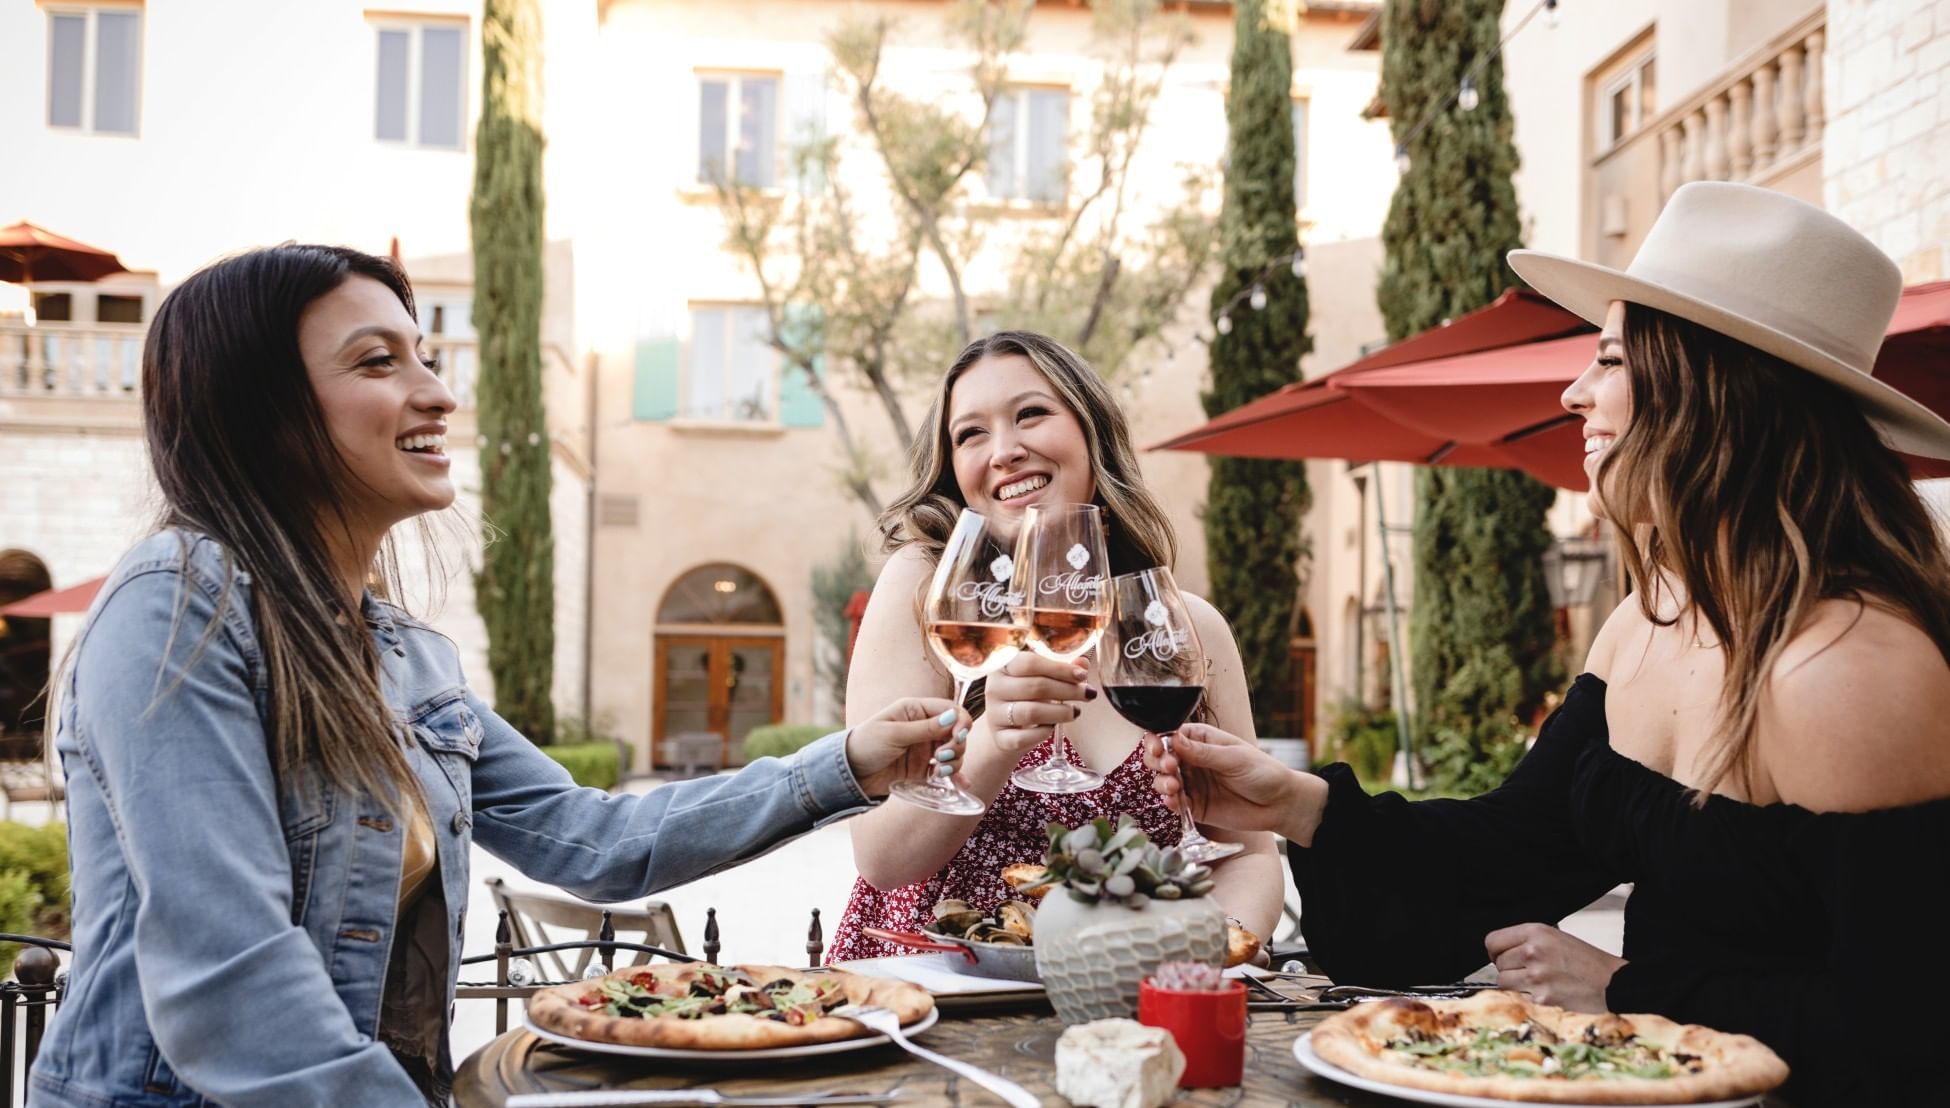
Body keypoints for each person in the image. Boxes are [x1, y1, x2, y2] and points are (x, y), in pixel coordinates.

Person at [27, 245, 970, 1108]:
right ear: (261, 414)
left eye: (423, 355)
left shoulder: (401, 652)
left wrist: (850, 763)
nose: (436, 392)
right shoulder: (178, 606)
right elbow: (231, 983)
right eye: (375, 363)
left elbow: (592, 839)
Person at [1144, 182, 1950, 1105]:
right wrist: (1297, 806)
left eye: (1608, 360)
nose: (1575, 393)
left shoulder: (1853, 669)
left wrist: (1624, 992)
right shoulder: (1650, 617)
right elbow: (1512, 853)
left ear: (1714, 390)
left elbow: (1910, 1031)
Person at [827, 330, 1283, 962]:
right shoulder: (924, 593)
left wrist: (1210, 955)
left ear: (1090, 430)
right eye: (971, 434)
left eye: (1031, 414)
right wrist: (992, 742)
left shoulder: (1187, 628)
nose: (1005, 451)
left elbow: (1247, 854)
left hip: (1122, 992)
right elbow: (881, 860)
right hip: (934, 991)